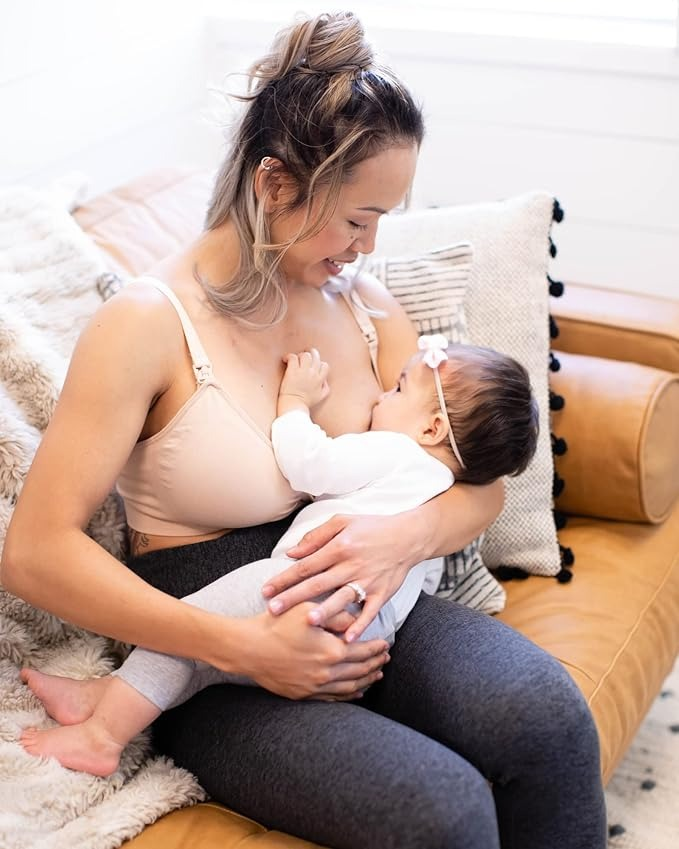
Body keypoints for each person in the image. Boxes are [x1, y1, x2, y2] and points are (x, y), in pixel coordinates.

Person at [1, 11, 607, 849]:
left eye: (383, 218)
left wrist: (406, 537)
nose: (368, 245)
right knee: (440, 810)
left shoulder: (364, 308)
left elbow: (477, 486)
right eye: (357, 219)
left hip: (366, 596)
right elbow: (35, 551)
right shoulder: (146, 324)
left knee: (547, 719)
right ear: (276, 184)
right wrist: (240, 645)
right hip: (205, 649)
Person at [19, 336, 540, 777]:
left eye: (400, 389)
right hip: (363, 634)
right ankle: (104, 698)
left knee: (188, 630)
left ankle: (104, 738)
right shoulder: (442, 491)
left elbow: (309, 464)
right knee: (205, 663)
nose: (384, 395)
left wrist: (294, 402)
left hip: (302, 584)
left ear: (431, 430)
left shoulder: (395, 452)